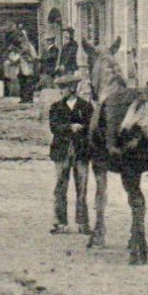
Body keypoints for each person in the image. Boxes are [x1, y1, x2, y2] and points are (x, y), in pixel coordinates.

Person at [48, 73, 92, 233]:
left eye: (63, 88)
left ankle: (82, 223)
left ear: (72, 88)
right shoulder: (55, 107)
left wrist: (82, 128)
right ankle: (60, 223)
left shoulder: (86, 107)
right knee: (60, 186)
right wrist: (69, 127)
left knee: (82, 188)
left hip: (81, 152)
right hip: (61, 152)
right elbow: (54, 127)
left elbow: (92, 128)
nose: (60, 91)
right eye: (60, 88)